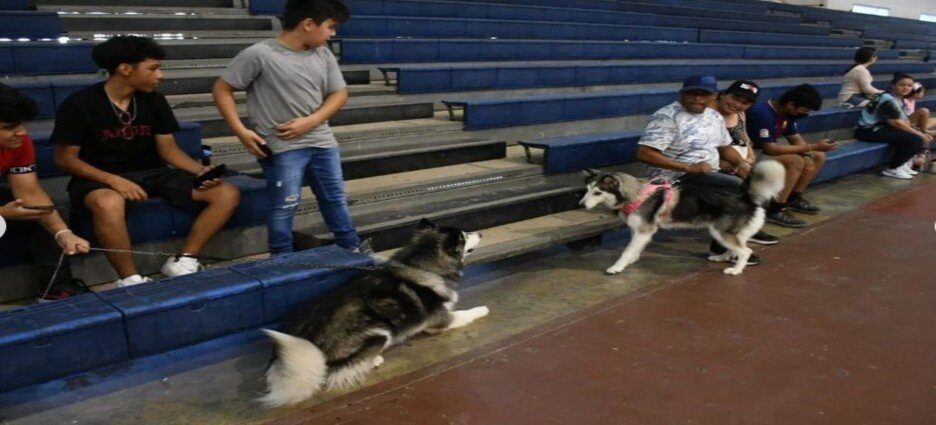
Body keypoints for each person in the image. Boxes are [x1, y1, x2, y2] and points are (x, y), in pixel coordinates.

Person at [52, 36, 240, 287]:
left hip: (153, 172)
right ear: (125, 69)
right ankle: (129, 279)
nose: (160, 75)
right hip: (97, 177)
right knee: (108, 202)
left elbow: (169, 151)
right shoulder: (79, 104)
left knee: (225, 193)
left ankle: (183, 260)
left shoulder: (154, 100)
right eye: (152, 68)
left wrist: (201, 171)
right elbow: (65, 160)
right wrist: (114, 180)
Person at [213, 0, 365, 255]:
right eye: (331, 27)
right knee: (285, 204)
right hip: (282, 144)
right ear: (308, 24)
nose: (333, 34)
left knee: (334, 198)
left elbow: (339, 93)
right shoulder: (260, 54)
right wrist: (241, 130)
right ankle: (281, 259)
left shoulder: (323, 53)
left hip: (322, 141)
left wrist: (311, 121)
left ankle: (351, 248)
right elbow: (222, 89)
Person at [636, 75, 762, 265]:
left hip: (706, 173)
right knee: (734, 188)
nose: (697, 98)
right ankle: (726, 245)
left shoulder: (713, 116)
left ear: (714, 96)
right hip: (673, 177)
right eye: (692, 93)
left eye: (704, 94)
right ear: (681, 94)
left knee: (757, 182)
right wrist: (689, 167)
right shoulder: (666, 117)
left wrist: (741, 164)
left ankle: (735, 237)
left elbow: (725, 147)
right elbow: (644, 153)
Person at [0, 83, 91, 301]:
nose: (21, 132)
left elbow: (29, 191)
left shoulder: (20, 143)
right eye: (10, 126)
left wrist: (62, 232)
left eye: (22, 124)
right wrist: (2, 213)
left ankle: (55, 288)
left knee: (47, 211)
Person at [745, 84, 837, 228]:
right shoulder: (762, 113)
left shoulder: (786, 113)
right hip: (750, 155)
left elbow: (795, 138)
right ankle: (775, 209)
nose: (805, 113)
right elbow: (770, 149)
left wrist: (808, 154)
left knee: (818, 156)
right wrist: (812, 147)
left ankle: (793, 197)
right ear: (791, 104)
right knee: (795, 160)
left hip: (763, 153)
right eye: (805, 110)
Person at [708, 80, 779, 246]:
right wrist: (722, 160)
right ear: (723, 94)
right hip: (712, 162)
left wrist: (749, 155)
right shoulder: (707, 113)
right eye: (735, 98)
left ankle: (748, 226)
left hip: (737, 159)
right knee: (739, 187)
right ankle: (726, 241)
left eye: (745, 102)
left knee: (764, 181)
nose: (738, 104)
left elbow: (745, 138)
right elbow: (702, 145)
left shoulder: (740, 114)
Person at [855, 73, 933, 179]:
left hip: (883, 128)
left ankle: (902, 165)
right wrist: (920, 134)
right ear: (893, 85)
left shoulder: (899, 99)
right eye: (902, 85)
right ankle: (893, 168)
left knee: (915, 137)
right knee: (915, 139)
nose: (906, 88)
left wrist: (920, 132)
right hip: (867, 130)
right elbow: (895, 123)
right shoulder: (887, 99)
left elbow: (904, 121)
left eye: (909, 85)